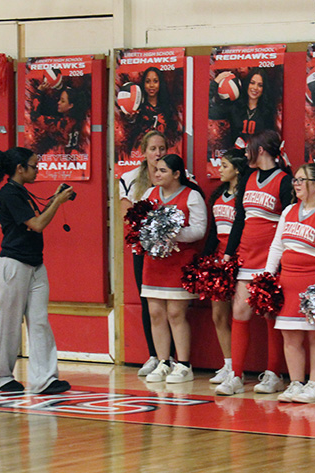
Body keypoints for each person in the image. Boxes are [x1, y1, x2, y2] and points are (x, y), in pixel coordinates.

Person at [0, 147, 75, 394]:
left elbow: (35, 219)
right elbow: (38, 224)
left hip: (34, 263)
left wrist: (54, 198)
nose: (37, 170)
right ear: (20, 168)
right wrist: (59, 202)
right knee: (9, 322)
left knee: (40, 321)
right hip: (15, 264)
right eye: (33, 165)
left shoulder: (21, 191)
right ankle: (0, 377)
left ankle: (45, 379)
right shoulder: (9, 193)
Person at [215, 130, 293, 396]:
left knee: (271, 314)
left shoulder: (285, 181)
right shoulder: (247, 178)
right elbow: (239, 219)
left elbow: (289, 221)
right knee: (240, 312)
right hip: (246, 256)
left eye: (249, 148)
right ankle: (236, 374)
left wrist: (281, 259)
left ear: (260, 150)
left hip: (272, 258)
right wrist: (229, 254)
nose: (246, 153)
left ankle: (273, 374)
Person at [265, 163, 315, 403]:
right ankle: (296, 382)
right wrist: (267, 276)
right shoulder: (289, 210)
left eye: (301, 179)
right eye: (295, 180)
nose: (296, 184)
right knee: (290, 335)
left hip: (314, 282)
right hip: (288, 280)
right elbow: (277, 246)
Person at [140, 154, 206, 384]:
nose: (157, 174)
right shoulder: (149, 194)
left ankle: (184, 365)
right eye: (156, 170)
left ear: (177, 174)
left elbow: (199, 230)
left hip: (179, 262)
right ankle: (162, 361)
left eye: (163, 171)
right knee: (156, 313)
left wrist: (171, 233)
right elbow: (140, 223)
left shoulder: (192, 196)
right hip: (154, 262)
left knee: (176, 314)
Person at [119, 131, 170, 377]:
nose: (158, 154)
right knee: (148, 301)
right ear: (143, 151)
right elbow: (126, 215)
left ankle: (177, 359)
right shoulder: (129, 179)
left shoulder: (179, 176)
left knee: (173, 304)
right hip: (143, 248)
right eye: (153, 149)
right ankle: (155, 355)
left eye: (162, 149)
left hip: (172, 248)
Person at [202, 149, 249, 384]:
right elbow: (213, 230)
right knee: (218, 314)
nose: (219, 169)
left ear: (237, 169)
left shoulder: (246, 195)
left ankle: (240, 367)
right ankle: (228, 363)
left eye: (224, 165)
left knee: (239, 314)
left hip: (239, 259)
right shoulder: (218, 194)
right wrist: (205, 258)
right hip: (219, 260)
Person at [209, 68, 276, 149]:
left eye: (260, 85)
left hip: (257, 158)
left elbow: (270, 140)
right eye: (252, 83)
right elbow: (206, 110)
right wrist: (216, 82)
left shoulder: (267, 111)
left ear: (263, 88)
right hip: (236, 158)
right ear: (247, 84)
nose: (255, 88)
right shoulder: (234, 107)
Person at [122, 67, 181, 157]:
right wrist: (131, 119)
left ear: (160, 83)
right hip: (141, 156)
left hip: (163, 155)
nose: (151, 85)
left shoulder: (168, 107)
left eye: (155, 81)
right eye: (148, 81)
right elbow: (129, 134)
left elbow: (174, 133)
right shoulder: (137, 107)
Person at [30, 85, 89, 154]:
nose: (59, 102)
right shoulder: (83, 121)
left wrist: (39, 92)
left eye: (63, 101)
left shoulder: (61, 123)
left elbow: (35, 117)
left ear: (71, 105)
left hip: (63, 159)